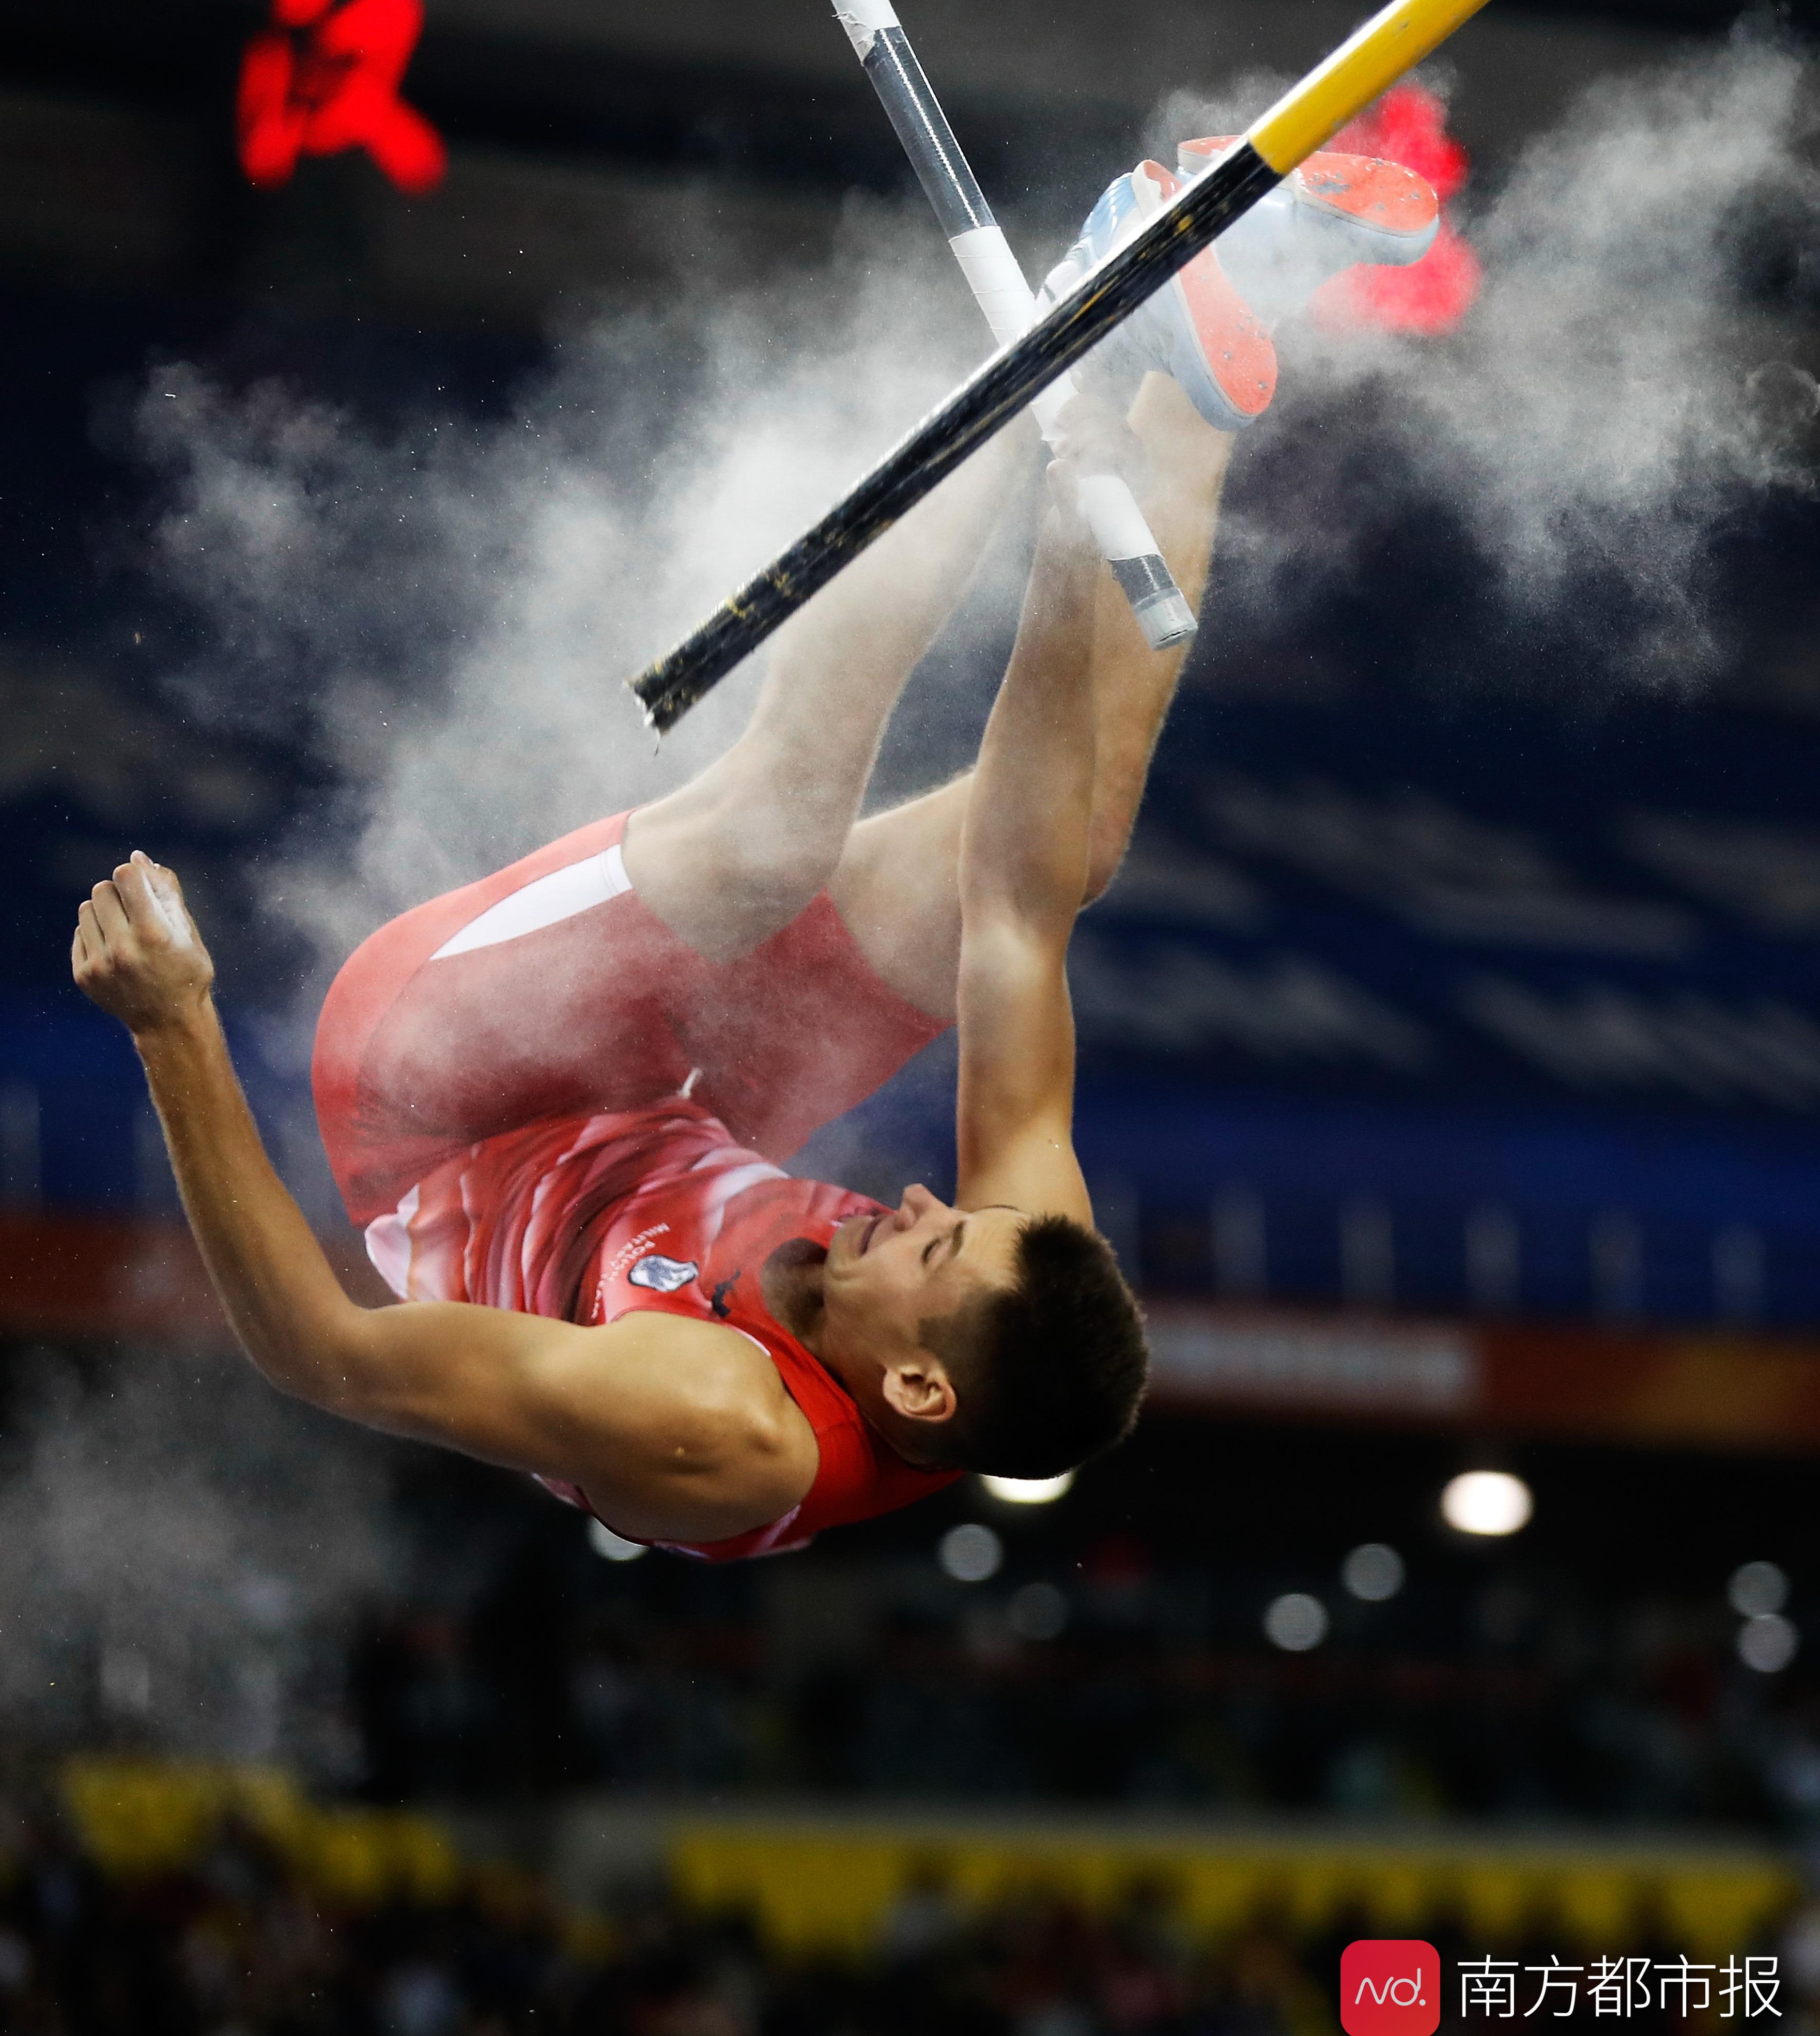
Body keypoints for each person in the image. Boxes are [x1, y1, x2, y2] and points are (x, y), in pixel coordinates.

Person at [74, 147, 1438, 1560]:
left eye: (928, 1244)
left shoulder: (715, 1421)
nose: (921, 1202)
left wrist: (174, 1026)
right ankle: (1189, 346)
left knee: (779, 836)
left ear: (914, 1383)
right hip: (675, 1097)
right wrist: (1062, 525)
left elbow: (325, 1356)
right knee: (1075, 845)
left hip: (439, 1103)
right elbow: (1015, 910)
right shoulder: (1017, 1276)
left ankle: (1059, 316)